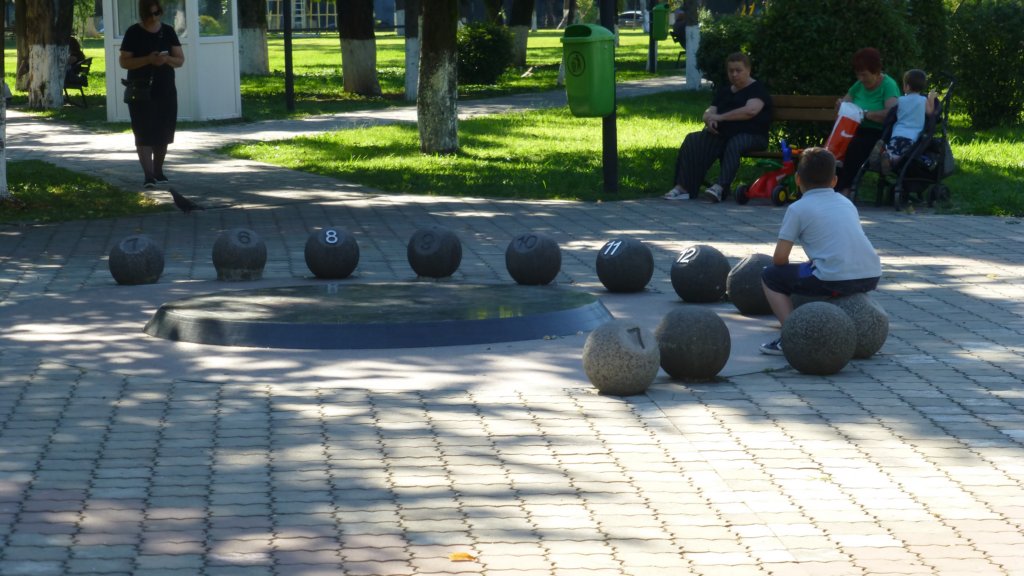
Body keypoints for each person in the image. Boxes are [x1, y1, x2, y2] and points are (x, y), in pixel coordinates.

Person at [758, 147, 882, 355]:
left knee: (770, 276)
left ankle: (792, 334)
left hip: (833, 278)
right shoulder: (846, 203)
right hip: (870, 275)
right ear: (834, 181)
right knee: (813, 269)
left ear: (797, 179)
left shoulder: (798, 208)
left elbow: (779, 259)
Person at [665, 52, 772, 203]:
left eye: (738, 70)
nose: (734, 74)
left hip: (753, 135)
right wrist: (709, 120)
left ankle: (720, 188)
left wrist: (720, 117)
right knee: (693, 139)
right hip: (723, 134)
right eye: (731, 71)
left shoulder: (757, 89)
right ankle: (683, 187)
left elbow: (750, 111)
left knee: (735, 143)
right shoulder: (725, 91)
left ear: (748, 70)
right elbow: (709, 111)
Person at [119, 0, 185, 189]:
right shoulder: (133, 32)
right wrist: (148, 60)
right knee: (143, 131)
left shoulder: (168, 31)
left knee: (164, 131)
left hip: (165, 89)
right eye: (150, 14)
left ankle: (158, 171)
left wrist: (166, 59)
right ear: (143, 14)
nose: (154, 18)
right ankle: (148, 176)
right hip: (140, 90)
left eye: (157, 13)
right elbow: (124, 62)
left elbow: (180, 60)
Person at [834, 47, 900, 197]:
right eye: (858, 74)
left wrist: (867, 114)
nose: (860, 79)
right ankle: (832, 187)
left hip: (879, 133)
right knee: (836, 145)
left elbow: (892, 114)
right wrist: (840, 105)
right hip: (855, 128)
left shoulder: (888, 85)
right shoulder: (858, 86)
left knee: (856, 145)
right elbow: (845, 103)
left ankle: (845, 188)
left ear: (876, 72)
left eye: (864, 74)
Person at [871, 69, 937, 175]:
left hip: (897, 133)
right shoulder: (923, 100)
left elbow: (893, 113)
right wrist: (931, 98)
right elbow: (930, 112)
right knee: (901, 156)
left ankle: (884, 153)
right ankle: (889, 161)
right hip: (912, 136)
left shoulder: (900, 100)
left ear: (907, 87)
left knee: (893, 150)